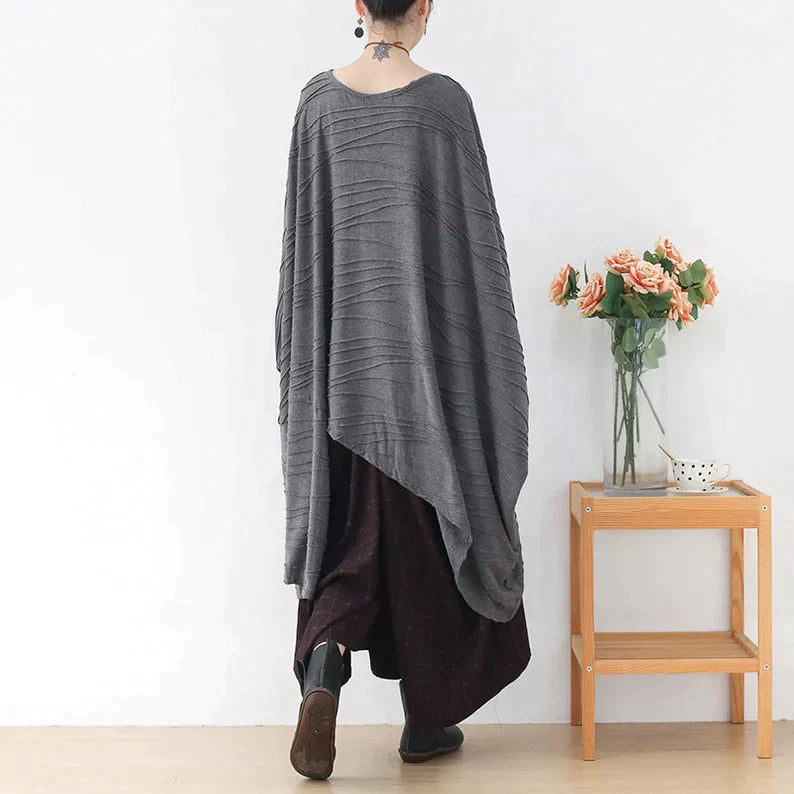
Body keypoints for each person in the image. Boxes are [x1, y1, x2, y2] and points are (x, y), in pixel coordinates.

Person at [275, 0, 531, 781]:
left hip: (341, 384)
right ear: (424, 6)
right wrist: (474, 367)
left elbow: (303, 252)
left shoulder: (318, 105)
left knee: (351, 545)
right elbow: (474, 258)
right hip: (425, 383)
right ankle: (426, 720)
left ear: (358, 5)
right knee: (427, 548)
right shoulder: (444, 105)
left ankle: (326, 665)